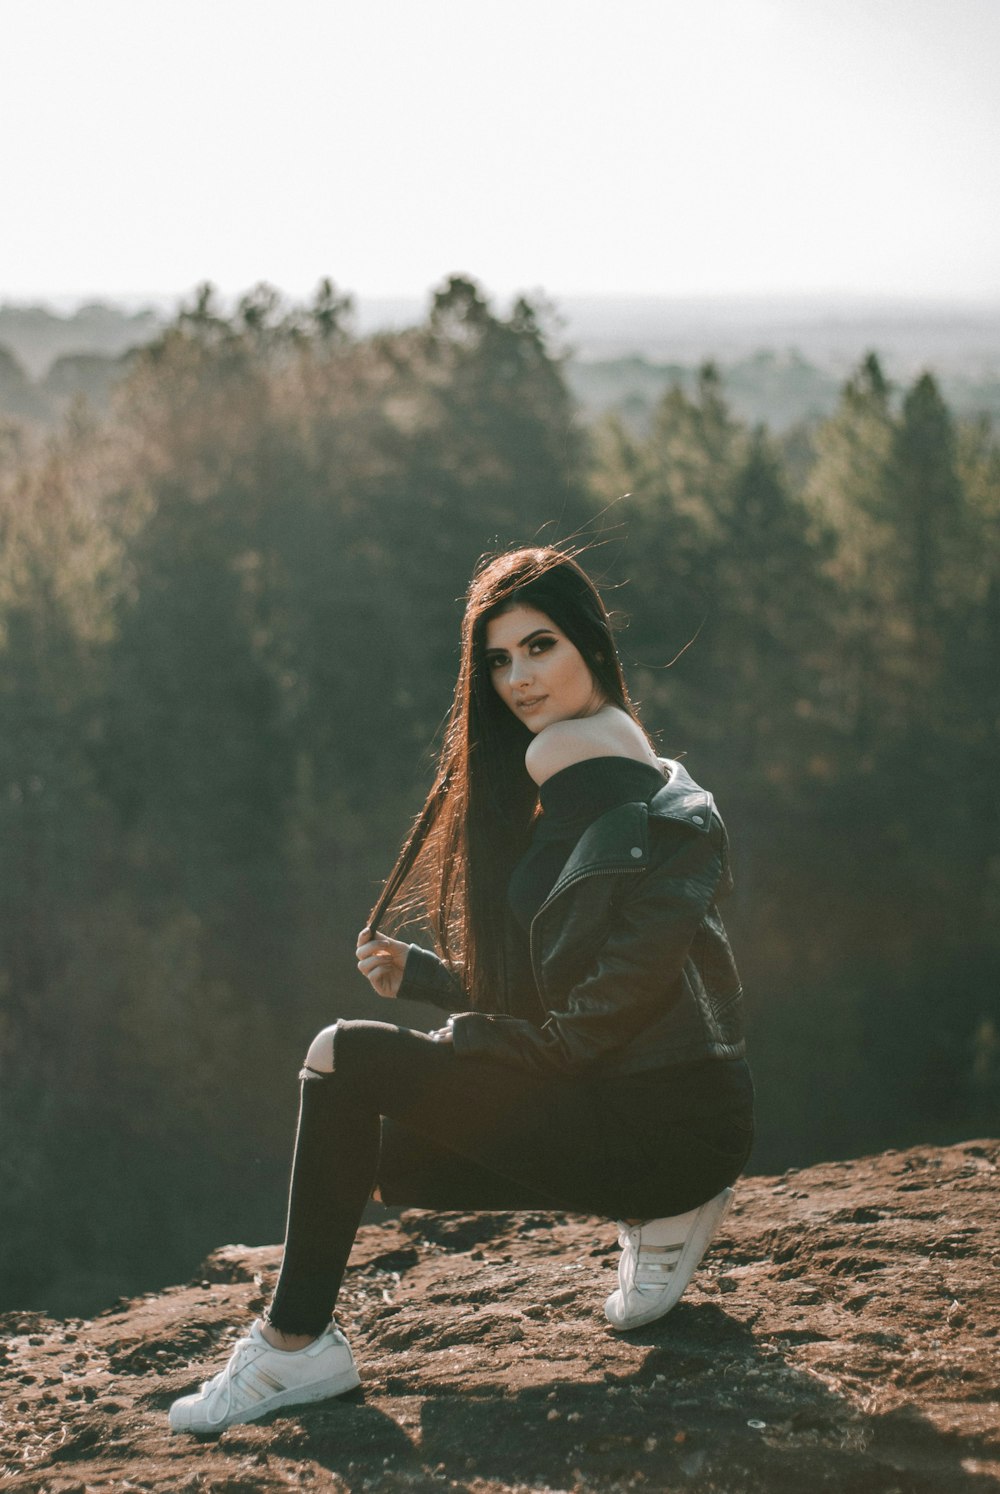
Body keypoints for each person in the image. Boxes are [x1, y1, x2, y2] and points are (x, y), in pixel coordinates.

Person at [168, 545, 753, 1435]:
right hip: (612, 1105)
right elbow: (570, 994)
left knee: (341, 1060)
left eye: (541, 646)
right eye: (499, 658)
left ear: (592, 643)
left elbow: (584, 1035)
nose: (518, 678)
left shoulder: (633, 800)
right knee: (372, 1156)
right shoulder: (581, 769)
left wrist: (455, 1043)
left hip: (670, 1129)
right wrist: (434, 982)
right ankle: (649, 1215)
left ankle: (293, 1351)